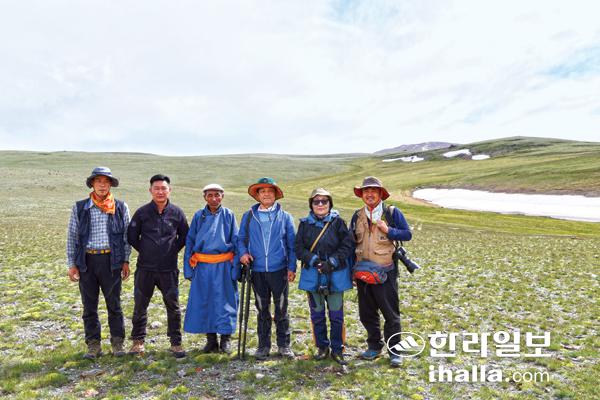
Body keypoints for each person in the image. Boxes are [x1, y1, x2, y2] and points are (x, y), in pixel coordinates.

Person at [66, 166, 131, 359]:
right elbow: (72, 237)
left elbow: (126, 237)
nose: (102, 185)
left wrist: (126, 260)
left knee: (114, 305)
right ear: (92, 184)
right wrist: (72, 264)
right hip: (86, 261)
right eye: (98, 181)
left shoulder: (120, 207)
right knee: (89, 306)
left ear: (110, 185)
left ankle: (117, 343)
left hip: (112, 261)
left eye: (106, 182)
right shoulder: (80, 208)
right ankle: (93, 345)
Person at [349, 176, 412, 368]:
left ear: (380, 194)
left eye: (373, 191)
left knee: (391, 314)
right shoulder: (357, 216)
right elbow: (351, 244)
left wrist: (389, 230)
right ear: (362, 195)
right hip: (362, 273)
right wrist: (351, 271)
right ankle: (374, 346)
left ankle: (395, 351)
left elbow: (407, 234)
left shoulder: (391, 213)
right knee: (366, 313)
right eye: (366, 191)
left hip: (386, 272)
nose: (369, 194)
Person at [127, 174, 189, 358]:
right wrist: (146, 250)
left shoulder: (177, 213)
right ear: (150, 190)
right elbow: (132, 237)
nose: (160, 192)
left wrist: (171, 250)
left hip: (168, 269)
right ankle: (138, 342)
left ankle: (176, 343)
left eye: (163, 188)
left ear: (169, 190)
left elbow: (185, 236)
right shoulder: (142, 213)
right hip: (145, 268)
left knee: (173, 306)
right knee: (140, 305)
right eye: (157, 188)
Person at [238, 177, 297, 360]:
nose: (266, 194)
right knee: (262, 309)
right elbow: (241, 239)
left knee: (281, 308)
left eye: (269, 191)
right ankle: (263, 346)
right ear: (257, 195)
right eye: (262, 191)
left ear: (275, 195)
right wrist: (243, 253)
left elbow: (292, 245)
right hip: (256, 270)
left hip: (279, 270)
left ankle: (284, 345)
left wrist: (292, 267)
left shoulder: (285, 217)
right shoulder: (249, 216)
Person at [295, 188, 353, 365]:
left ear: (330, 203)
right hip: (313, 275)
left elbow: (347, 245)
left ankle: (337, 348)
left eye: (324, 201)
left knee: (336, 315)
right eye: (316, 201)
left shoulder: (338, 223)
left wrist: (332, 262)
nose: (320, 204)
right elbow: (299, 248)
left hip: (336, 275)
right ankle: (322, 347)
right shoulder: (304, 224)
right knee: (317, 314)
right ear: (311, 204)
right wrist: (314, 261)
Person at [183, 183, 239, 354]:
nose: (214, 198)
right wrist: (188, 269)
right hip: (203, 266)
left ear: (222, 196)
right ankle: (211, 340)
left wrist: (236, 268)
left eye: (217, 195)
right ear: (204, 197)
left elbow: (236, 241)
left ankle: (226, 339)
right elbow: (190, 241)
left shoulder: (229, 215)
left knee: (226, 302)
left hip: (224, 266)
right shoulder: (198, 216)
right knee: (205, 301)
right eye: (210, 195)